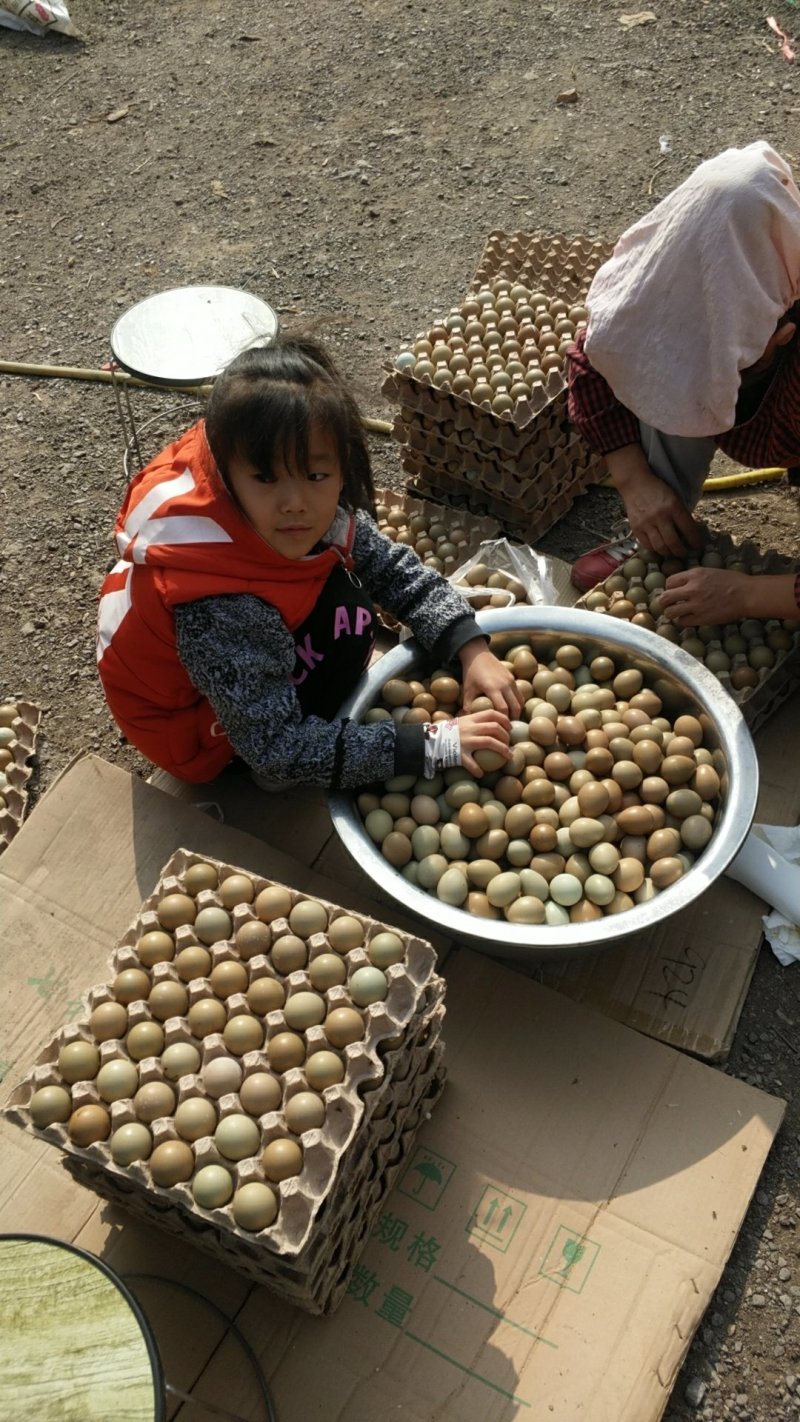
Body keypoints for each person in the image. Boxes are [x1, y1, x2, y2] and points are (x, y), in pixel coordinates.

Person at [97, 336, 522, 788]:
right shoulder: (220, 607)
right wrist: (433, 743)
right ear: (225, 474)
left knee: (348, 591)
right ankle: (261, 769)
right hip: (195, 732)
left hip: (233, 653)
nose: (295, 503)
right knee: (349, 617)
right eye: (266, 478)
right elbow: (277, 751)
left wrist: (468, 646)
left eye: (317, 475)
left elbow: (393, 570)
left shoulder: (300, 512)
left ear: (342, 465)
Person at [566, 140, 800, 618]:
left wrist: (749, 596)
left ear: (782, 336)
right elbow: (595, 357)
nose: (695, 371)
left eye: (721, 361)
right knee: (662, 377)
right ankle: (659, 528)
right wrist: (635, 481)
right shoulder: (686, 269)